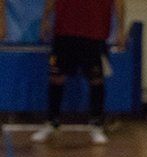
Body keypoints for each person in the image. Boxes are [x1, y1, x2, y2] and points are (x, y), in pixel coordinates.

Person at [31, 0, 125, 145]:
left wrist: (120, 29)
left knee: (96, 78)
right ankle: (52, 122)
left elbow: (119, 2)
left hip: (94, 33)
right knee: (56, 77)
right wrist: (45, 19)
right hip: (64, 31)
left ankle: (96, 125)